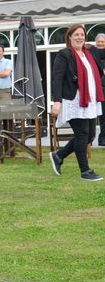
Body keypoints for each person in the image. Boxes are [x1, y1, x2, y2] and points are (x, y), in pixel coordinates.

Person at [49, 24, 105, 181]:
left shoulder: (89, 53)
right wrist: (57, 101)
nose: (80, 37)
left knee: (90, 135)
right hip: (74, 100)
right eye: (76, 34)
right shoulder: (64, 54)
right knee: (82, 134)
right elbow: (57, 79)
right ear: (69, 37)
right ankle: (85, 171)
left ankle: (58, 155)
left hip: (91, 100)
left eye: (82, 34)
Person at [95, 33, 105, 146]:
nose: (101, 43)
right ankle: (101, 139)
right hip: (99, 90)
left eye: (103, 41)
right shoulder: (93, 54)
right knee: (102, 117)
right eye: (99, 42)